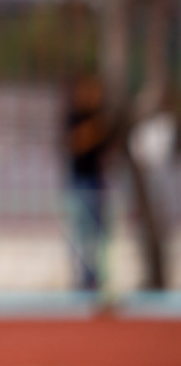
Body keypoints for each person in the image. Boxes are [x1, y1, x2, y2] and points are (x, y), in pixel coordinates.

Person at [64, 72, 113, 291]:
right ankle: (83, 280)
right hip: (79, 182)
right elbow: (77, 143)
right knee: (81, 233)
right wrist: (94, 131)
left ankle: (97, 279)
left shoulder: (99, 116)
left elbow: (106, 147)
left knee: (100, 233)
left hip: (97, 181)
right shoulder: (74, 116)